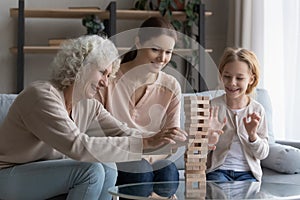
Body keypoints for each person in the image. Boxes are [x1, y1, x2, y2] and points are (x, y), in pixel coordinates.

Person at [0, 35, 187, 200]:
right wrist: (147, 143)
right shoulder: (41, 96)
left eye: (109, 75)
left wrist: (164, 139)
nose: (106, 82)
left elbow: (123, 131)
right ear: (81, 65)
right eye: (102, 73)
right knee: (91, 170)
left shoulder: (88, 105)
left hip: (49, 172)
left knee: (108, 165)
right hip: (9, 176)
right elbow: (79, 147)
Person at [96, 17, 183, 198]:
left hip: (152, 159)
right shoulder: (109, 77)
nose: (163, 58)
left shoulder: (171, 86)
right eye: (155, 49)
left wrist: (152, 155)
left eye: (169, 52)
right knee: (141, 170)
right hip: (115, 157)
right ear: (138, 42)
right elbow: (95, 131)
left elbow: (170, 141)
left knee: (169, 172)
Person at [206, 47, 269, 182]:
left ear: (251, 79)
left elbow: (263, 153)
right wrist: (209, 139)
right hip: (218, 171)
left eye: (239, 78)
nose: (232, 83)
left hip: (248, 174)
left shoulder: (257, 111)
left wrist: (253, 136)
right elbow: (196, 153)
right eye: (227, 76)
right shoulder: (211, 107)